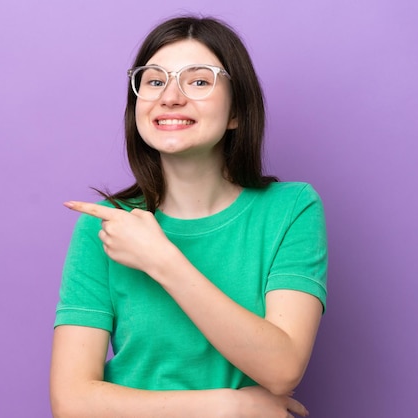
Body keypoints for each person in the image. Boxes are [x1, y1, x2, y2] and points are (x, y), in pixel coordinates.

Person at [50, 15, 327, 418]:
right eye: (155, 81)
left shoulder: (291, 208)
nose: (171, 97)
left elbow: (282, 369)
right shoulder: (106, 225)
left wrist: (161, 260)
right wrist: (226, 407)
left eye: (199, 81)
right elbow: (71, 402)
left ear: (237, 111)